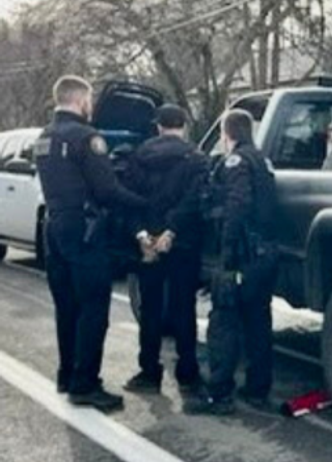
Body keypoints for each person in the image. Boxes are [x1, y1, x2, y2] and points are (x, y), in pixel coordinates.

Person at [34, 75, 147, 412]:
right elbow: (107, 191)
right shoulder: (87, 137)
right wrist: (144, 204)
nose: (92, 105)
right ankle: (85, 384)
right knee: (94, 308)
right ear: (81, 100)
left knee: (66, 307)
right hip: (84, 231)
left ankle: (67, 375)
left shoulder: (44, 137)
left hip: (54, 228)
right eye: (90, 99)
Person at [189, 109, 279, 415]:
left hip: (242, 255)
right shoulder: (262, 160)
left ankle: (219, 394)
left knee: (224, 322)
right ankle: (258, 389)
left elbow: (238, 204)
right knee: (258, 322)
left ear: (227, 134)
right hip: (265, 254)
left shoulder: (236, 162)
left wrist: (226, 253)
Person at [122, 104, 208, 395]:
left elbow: (130, 199)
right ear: (184, 125)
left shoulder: (139, 156)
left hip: (148, 245)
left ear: (158, 126)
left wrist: (142, 235)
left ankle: (149, 372)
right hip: (183, 243)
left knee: (150, 308)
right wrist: (172, 231)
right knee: (184, 307)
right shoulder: (196, 158)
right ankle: (187, 371)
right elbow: (195, 200)